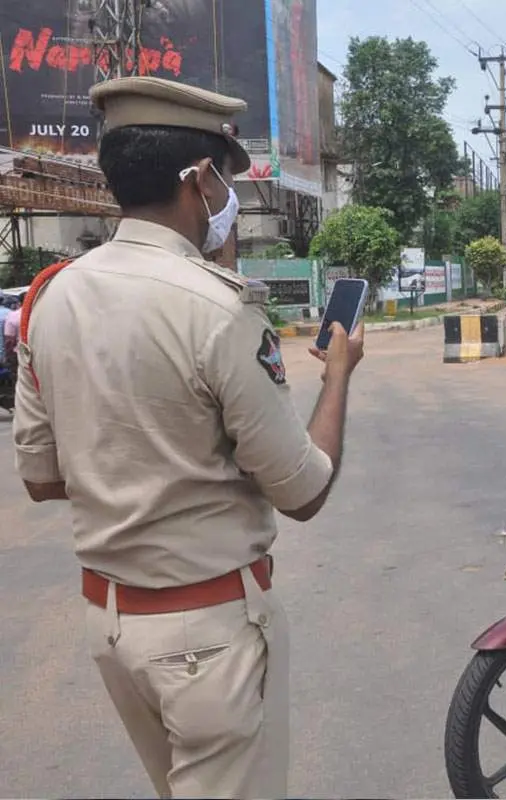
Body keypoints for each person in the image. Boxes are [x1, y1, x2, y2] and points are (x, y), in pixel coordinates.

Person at [12, 76, 365, 798]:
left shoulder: (51, 297)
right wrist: (338, 376)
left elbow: (41, 479)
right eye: (226, 181)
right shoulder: (218, 310)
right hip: (207, 636)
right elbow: (303, 491)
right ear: (201, 179)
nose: (227, 198)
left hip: (112, 628)